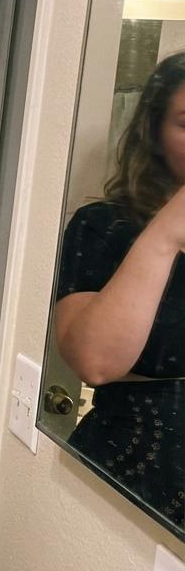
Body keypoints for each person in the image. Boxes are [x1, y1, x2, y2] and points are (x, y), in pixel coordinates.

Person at [54, 51, 185, 528]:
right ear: (154, 133)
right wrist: (167, 231)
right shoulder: (103, 226)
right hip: (127, 480)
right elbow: (95, 362)